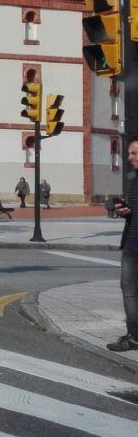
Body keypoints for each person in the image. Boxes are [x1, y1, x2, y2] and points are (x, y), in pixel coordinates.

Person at [108, 136, 138, 352]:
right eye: (129, 153)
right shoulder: (133, 179)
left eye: (134, 153)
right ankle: (134, 335)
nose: (129, 157)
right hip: (132, 244)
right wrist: (124, 211)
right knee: (128, 290)